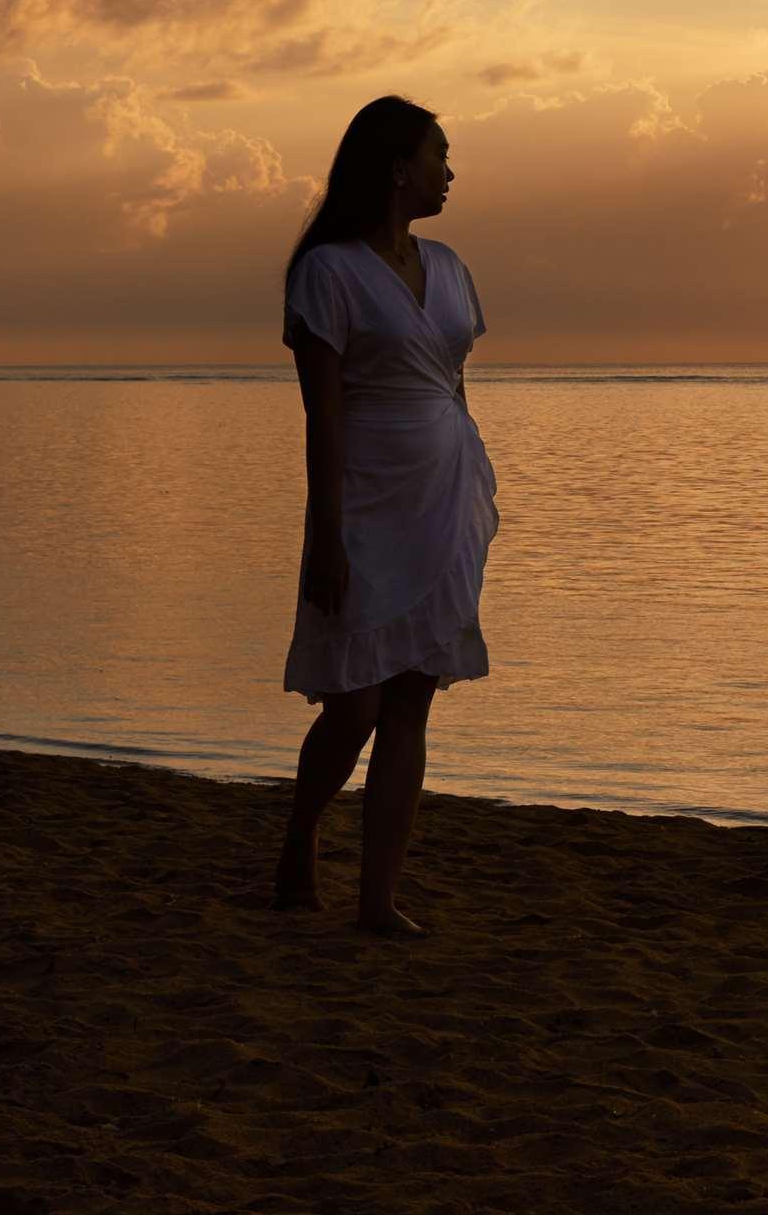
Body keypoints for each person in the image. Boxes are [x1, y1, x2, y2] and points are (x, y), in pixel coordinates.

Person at [270, 95, 496, 930]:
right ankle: (301, 834)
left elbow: (455, 384)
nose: (450, 171)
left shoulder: (451, 266)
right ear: (400, 167)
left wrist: (472, 491)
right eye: (440, 155)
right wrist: (323, 537)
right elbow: (321, 419)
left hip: (444, 502)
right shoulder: (326, 271)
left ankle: (378, 899)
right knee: (355, 705)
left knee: (410, 703)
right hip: (365, 500)